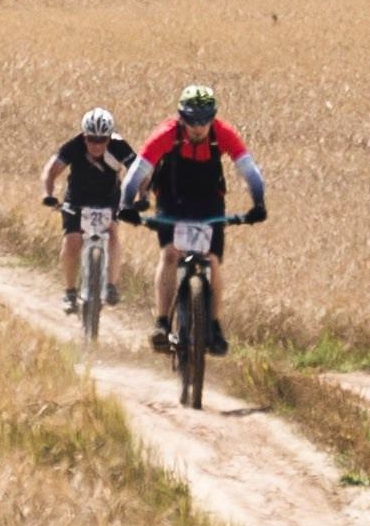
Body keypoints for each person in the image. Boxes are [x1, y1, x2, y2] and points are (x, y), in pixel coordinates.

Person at [121, 84, 264, 357]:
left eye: (204, 120)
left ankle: (214, 324)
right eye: (190, 120)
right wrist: (127, 205)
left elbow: (250, 171)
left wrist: (258, 203)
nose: (197, 127)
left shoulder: (222, 134)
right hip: (171, 200)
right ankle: (162, 322)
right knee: (170, 254)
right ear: (180, 117)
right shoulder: (166, 134)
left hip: (209, 201)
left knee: (211, 260)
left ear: (213, 117)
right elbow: (137, 172)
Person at [41, 107, 131, 308]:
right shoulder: (74, 146)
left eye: (102, 140)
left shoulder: (119, 146)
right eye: (91, 139)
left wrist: (141, 195)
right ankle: (70, 291)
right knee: (72, 241)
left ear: (110, 137)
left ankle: (111, 285)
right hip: (77, 200)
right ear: (84, 136)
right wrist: (47, 194)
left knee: (113, 233)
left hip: (108, 200)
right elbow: (50, 171)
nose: (97, 145)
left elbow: (138, 171)